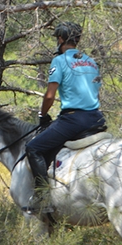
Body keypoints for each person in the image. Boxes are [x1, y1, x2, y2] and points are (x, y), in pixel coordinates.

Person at [25, 22, 106, 212]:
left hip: (73, 120)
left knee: (33, 148)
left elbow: (50, 95)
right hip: (96, 118)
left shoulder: (59, 61)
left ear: (60, 39)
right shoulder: (92, 62)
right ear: (77, 40)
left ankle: (43, 198)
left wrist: (42, 114)